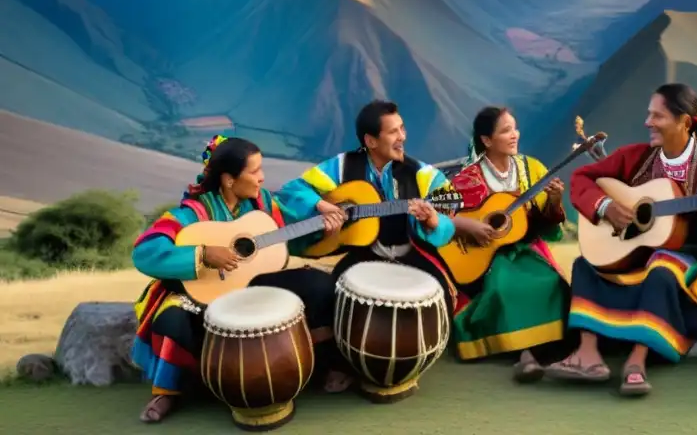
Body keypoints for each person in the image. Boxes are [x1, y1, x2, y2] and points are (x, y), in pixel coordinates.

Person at [131, 136, 348, 424]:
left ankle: (320, 365)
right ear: (229, 180)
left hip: (251, 283)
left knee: (319, 286)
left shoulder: (264, 206)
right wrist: (203, 254)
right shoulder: (191, 214)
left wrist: (324, 229)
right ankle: (168, 392)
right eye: (254, 171)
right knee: (171, 317)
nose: (262, 178)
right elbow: (144, 251)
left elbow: (293, 239)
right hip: (205, 294)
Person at [545, 83, 697, 396]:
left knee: (662, 270)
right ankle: (587, 354)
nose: (648, 122)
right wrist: (605, 206)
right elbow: (582, 178)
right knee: (585, 264)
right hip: (634, 253)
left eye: (657, 116)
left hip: (688, 259)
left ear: (684, 122)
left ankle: (637, 360)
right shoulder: (634, 157)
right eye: (649, 115)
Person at [273, 99, 462, 389]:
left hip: (413, 256)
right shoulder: (341, 166)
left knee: (438, 298)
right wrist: (321, 204)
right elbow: (292, 191)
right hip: (363, 255)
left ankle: (406, 362)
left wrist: (433, 222)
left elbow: (449, 221)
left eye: (402, 128)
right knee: (333, 299)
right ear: (370, 141)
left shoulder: (423, 175)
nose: (402, 137)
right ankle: (342, 362)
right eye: (393, 132)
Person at [447, 106, 572, 381]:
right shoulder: (468, 179)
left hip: (527, 251)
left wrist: (554, 200)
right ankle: (527, 354)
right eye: (505, 131)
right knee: (504, 286)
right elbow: (440, 216)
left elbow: (547, 226)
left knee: (552, 284)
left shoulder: (532, 168)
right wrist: (468, 225)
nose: (514, 135)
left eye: (514, 128)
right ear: (487, 140)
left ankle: (540, 350)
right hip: (487, 259)